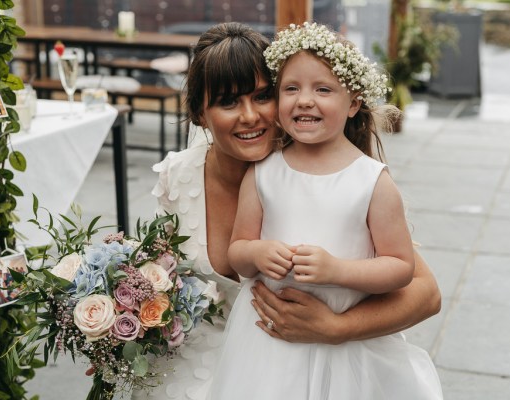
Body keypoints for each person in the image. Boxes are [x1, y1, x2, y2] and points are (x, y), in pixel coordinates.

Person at [131, 22, 440, 400]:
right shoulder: (179, 177)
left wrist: (336, 327)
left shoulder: (337, 173)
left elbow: (423, 290)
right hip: (238, 353)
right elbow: (173, 276)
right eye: (228, 102)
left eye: (263, 96)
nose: (250, 116)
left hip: (324, 350)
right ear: (200, 113)